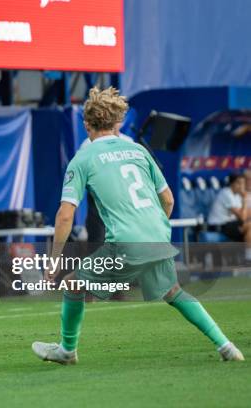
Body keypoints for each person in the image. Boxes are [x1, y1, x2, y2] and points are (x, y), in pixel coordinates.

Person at [31, 87, 243, 363]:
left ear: (86, 124)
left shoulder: (83, 158)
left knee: (72, 285)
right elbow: (167, 200)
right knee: (174, 292)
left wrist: (53, 261)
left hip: (126, 242)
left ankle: (67, 351)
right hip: (156, 235)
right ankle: (226, 347)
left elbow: (65, 215)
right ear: (117, 122)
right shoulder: (138, 150)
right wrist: (153, 230)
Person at [207, 173, 251, 261]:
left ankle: (248, 257)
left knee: (249, 226)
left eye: (243, 183)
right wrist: (245, 199)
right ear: (232, 184)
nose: (241, 186)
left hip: (230, 224)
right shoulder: (226, 193)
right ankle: (248, 258)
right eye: (239, 183)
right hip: (219, 226)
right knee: (249, 226)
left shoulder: (237, 196)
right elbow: (242, 217)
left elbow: (245, 215)